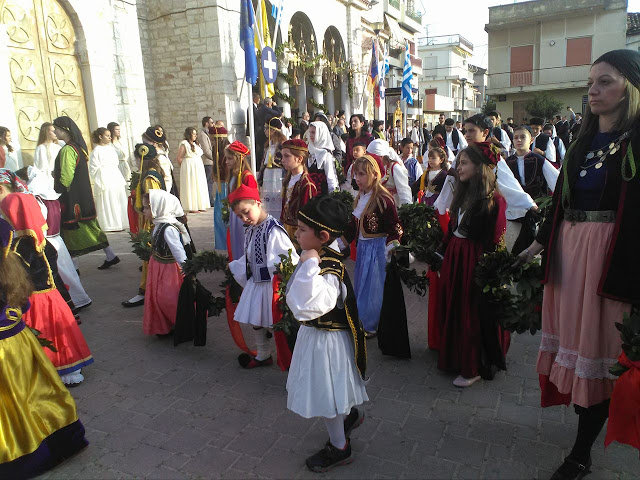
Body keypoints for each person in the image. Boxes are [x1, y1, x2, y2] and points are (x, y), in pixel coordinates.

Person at [515, 49, 640, 479]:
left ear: (631, 89)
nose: (593, 89)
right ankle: (584, 432)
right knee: (577, 348)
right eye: (591, 81)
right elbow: (561, 204)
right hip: (570, 255)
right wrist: (537, 244)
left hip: (610, 258)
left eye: (605, 81)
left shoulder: (637, 141)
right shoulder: (582, 143)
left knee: (599, 352)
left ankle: (582, 452)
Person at [0, 218, 88, 477]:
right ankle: (57, 441)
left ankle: (22, 457)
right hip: (20, 343)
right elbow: (24, 305)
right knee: (34, 393)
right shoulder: (11, 270)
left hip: (5, 352)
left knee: (10, 403)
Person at [286, 195, 368, 472]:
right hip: (318, 339)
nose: (295, 234)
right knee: (330, 390)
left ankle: (340, 447)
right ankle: (347, 418)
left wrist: (309, 264)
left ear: (322, 235)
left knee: (326, 395)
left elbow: (308, 306)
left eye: (300, 230)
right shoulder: (318, 254)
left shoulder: (328, 267)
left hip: (326, 342)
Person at [433, 142, 509, 388]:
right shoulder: (463, 194)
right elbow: (453, 229)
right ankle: (455, 356)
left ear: (479, 167)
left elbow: (494, 242)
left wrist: (485, 272)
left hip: (473, 261)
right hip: (456, 257)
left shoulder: (494, 201)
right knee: (455, 307)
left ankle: (474, 364)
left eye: (464, 163)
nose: (458, 167)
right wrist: (440, 254)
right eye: (458, 163)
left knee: (471, 311)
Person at [0, 191, 94, 385]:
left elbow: (14, 277)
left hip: (34, 300)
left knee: (44, 332)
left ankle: (50, 370)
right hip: (52, 296)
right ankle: (70, 367)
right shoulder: (43, 241)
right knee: (59, 333)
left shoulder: (19, 247)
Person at [228, 183, 298, 368]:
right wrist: (236, 267)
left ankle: (292, 359)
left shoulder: (273, 229)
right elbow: (251, 255)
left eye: (246, 212)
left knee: (276, 324)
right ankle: (263, 354)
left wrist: (283, 281)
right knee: (256, 319)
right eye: (239, 216)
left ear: (258, 203)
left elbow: (287, 257)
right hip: (257, 282)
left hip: (272, 285)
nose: (244, 218)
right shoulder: (251, 229)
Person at [434, 114, 538, 227]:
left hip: (484, 207)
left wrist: (528, 203)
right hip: (463, 204)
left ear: (485, 132)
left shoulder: (490, 155)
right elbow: (450, 180)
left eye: (472, 131)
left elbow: (507, 183)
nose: (467, 135)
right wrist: (439, 206)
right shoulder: (462, 153)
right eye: (466, 131)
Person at [340, 154, 402, 336]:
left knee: (373, 289)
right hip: (364, 249)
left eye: (362, 175)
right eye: (356, 175)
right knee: (362, 286)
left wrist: (392, 247)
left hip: (378, 250)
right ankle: (361, 320)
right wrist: (337, 245)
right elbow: (352, 227)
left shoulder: (383, 199)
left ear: (375, 174)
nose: (357, 179)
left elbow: (395, 226)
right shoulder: (360, 197)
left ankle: (370, 324)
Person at [19, 166, 92, 311]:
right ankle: (79, 298)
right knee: (67, 272)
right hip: (57, 239)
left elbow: (39, 223)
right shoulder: (52, 197)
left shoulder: (37, 199)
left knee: (56, 275)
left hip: (47, 241)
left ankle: (71, 302)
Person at [52, 116, 119, 269]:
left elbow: (67, 177)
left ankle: (74, 266)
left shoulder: (68, 149)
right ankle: (110, 254)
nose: (55, 131)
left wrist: (57, 189)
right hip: (83, 196)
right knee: (91, 226)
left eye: (56, 128)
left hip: (72, 197)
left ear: (64, 130)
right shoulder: (78, 147)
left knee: (71, 229)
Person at [122, 143, 167, 308]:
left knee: (149, 256)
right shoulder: (153, 173)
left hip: (151, 222)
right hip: (151, 220)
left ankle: (146, 290)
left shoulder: (149, 178)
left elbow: (153, 201)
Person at [142, 190, 191, 336]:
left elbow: (179, 251)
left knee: (168, 299)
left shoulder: (168, 228)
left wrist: (187, 270)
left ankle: (180, 322)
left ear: (158, 207)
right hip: (158, 266)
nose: (143, 211)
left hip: (169, 270)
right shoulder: (158, 224)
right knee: (156, 297)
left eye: (146, 208)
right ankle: (165, 325)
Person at [505, 125, 559, 255]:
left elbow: (556, 181)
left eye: (522, 137)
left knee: (532, 245)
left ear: (531, 140)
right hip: (513, 211)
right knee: (513, 246)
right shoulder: (508, 162)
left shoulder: (539, 160)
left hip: (536, 209)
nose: (518, 140)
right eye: (515, 137)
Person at [89, 127, 129, 232]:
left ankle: (121, 222)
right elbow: (93, 167)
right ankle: (110, 224)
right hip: (104, 178)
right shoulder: (96, 151)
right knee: (108, 200)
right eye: (107, 136)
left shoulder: (111, 148)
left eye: (110, 135)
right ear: (100, 137)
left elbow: (115, 162)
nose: (110, 137)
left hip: (114, 176)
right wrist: (102, 173)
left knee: (118, 199)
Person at [280, 139, 318, 248]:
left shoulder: (307, 185)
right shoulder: (288, 180)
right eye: (282, 156)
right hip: (285, 231)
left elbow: (308, 217)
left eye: (287, 156)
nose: (282, 160)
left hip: (298, 234)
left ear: (299, 158)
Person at [225, 141, 257, 261]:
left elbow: (253, 201)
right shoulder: (233, 175)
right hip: (235, 216)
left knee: (243, 243)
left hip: (243, 218)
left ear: (238, 159)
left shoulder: (247, 176)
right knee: (235, 242)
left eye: (229, 158)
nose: (226, 162)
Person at [367, 139, 412, 207]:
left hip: (394, 206)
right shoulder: (374, 168)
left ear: (381, 156)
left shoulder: (395, 167)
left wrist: (407, 209)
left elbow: (404, 191)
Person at [178, 127, 210, 213]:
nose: (195, 136)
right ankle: (192, 206)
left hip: (198, 167)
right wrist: (185, 168)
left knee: (199, 185)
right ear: (189, 134)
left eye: (196, 134)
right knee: (191, 185)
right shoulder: (184, 143)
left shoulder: (196, 144)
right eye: (194, 134)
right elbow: (179, 158)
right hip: (189, 167)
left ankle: (200, 204)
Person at [260, 117, 286, 219]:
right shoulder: (268, 144)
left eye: (267, 128)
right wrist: (260, 179)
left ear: (273, 130)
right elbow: (263, 162)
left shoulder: (282, 144)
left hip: (278, 174)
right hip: (268, 175)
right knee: (268, 204)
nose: (265, 131)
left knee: (278, 200)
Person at [209, 126, 230, 250]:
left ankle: (227, 245)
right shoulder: (216, 149)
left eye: (212, 139)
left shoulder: (226, 149)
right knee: (219, 217)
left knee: (223, 216)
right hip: (220, 186)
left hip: (226, 186)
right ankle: (222, 245)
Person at [142, 126, 176, 196]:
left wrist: (163, 196)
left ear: (154, 143)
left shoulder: (161, 158)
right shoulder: (151, 157)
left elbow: (167, 179)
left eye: (146, 143)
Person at [308, 121, 339, 194]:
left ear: (321, 134)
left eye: (313, 132)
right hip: (310, 193)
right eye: (310, 132)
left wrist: (333, 196)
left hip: (322, 194)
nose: (310, 135)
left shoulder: (326, 155)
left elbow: (331, 178)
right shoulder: (309, 150)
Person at [34, 122, 61, 187]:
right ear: (46, 133)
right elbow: (38, 167)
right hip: (47, 181)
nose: (55, 133)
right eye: (52, 131)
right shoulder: (41, 148)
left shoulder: (59, 147)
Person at [199, 116, 216, 203]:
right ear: (206, 123)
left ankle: (210, 198)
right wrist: (215, 158)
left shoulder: (208, 133)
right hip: (207, 162)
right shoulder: (202, 135)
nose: (213, 124)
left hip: (210, 161)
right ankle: (209, 200)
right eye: (211, 122)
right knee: (208, 182)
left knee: (211, 182)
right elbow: (206, 150)